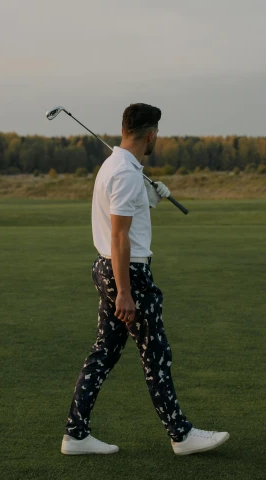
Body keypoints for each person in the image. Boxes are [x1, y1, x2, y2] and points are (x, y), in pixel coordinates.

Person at [61, 103, 230, 456]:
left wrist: (151, 196)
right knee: (156, 355)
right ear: (151, 133)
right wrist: (125, 291)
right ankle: (181, 435)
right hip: (129, 273)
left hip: (112, 268)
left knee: (104, 353)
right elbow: (119, 236)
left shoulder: (119, 166)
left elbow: (127, 216)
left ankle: (75, 435)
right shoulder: (124, 172)